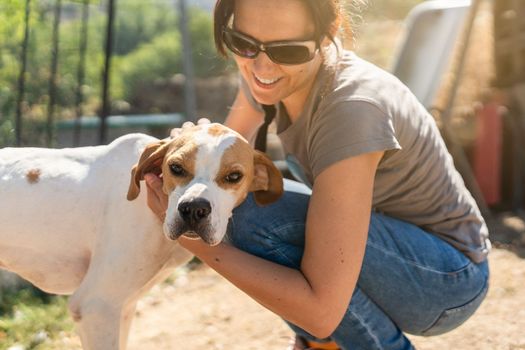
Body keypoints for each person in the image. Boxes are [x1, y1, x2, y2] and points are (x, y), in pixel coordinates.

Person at [145, 0, 491, 349]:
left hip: (447, 281)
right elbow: (226, 152)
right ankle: (325, 345)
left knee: (255, 221)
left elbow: (321, 312)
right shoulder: (266, 76)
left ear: (327, 35)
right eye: (243, 42)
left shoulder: (351, 109)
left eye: (289, 49)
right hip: (394, 253)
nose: (262, 64)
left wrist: (196, 243)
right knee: (238, 202)